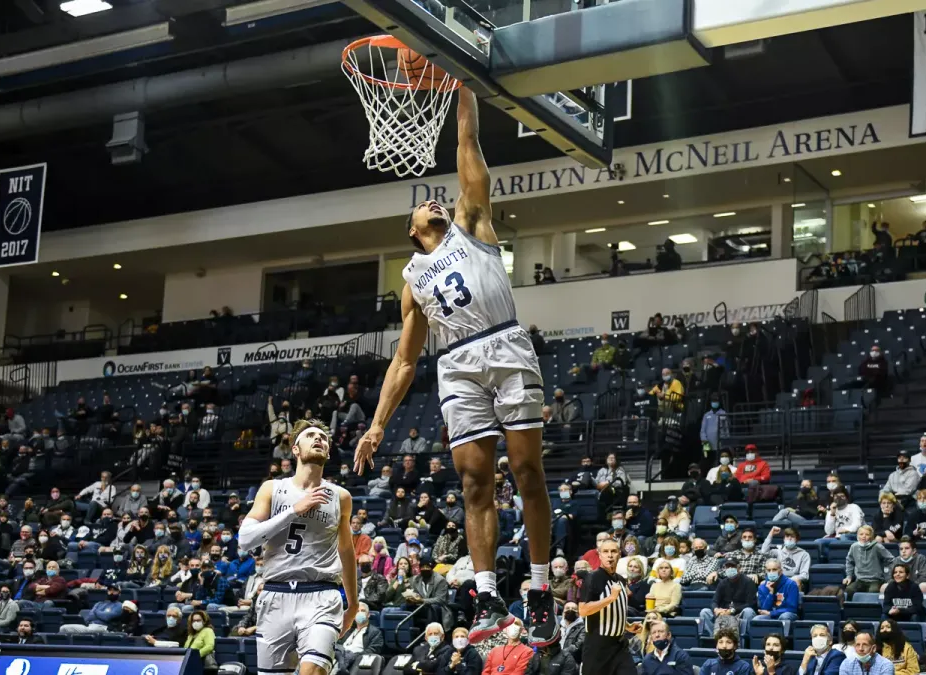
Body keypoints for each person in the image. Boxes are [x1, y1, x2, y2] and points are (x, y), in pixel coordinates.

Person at [354, 86, 555, 647]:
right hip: (458, 365)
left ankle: (539, 589)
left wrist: (463, 89)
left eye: (436, 201)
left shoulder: (472, 221)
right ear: (412, 229)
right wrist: (375, 425)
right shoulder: (412, 280)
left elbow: (467, 143)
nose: (435, 203)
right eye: (424, 206)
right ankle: (489, 594)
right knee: (473, 482)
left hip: (506, 344)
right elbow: (404, 358)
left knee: (526, 470)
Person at [237, 420, 357, 675]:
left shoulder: (341, 497)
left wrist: (354, 603)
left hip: (321, 595)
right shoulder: (273, 489)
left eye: (323, 437)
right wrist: (294, 510)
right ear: (295, 449)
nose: (319, 439)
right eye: (311, 435)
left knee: (313, 671)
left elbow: (346, 552)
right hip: (275, 595)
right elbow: (245, 539)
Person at [579, 538, 636, 675]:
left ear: (619, 555)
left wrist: (627, 626)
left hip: (619, 645)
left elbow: (614, 610)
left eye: (613, 551)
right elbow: (583, 610)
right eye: (605, 551)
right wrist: (609, 598)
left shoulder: (621, 580)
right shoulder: (592, 578)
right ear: (600, 555)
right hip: (598, 646)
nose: (610, 555)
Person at [700, 559, 757, 638]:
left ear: (739, 568)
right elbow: (714, 601)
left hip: (738, 613)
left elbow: (751, 604)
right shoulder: (722, 583)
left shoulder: (748, 581)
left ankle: (744, 639)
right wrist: (716, 609)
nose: (730, 569)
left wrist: (732, 611)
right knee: (704, 612)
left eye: (732, 566)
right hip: (723, 613)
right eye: (727, 567)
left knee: (749, 611)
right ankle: (715, 638)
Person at [754, 559, 799, 630]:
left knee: (784, 617)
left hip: (787, 614)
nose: (771, 572)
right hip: (769, 615)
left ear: (780, 571)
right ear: (766, 571)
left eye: (774, 569)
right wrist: (771, 593)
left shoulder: (791, 584)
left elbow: (792, 608)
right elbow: (764, 609)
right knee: (757, 619)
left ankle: (783, 639)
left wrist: (772, 613)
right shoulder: (762, 587)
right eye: (769, 570)